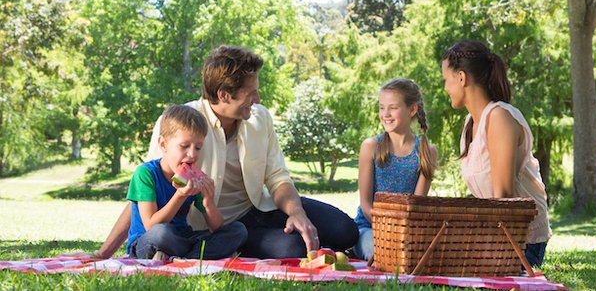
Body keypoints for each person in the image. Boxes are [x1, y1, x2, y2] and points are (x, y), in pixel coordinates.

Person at [94, 45, 358, 259]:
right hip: (212, 227)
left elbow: (277, 177)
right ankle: (223, 248)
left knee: (345, 230)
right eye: (251, 93)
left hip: (259, 207)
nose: (258, 100)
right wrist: (104, 252)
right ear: (223, 94)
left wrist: (296, 212)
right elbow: (146, 192)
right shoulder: (180, 124)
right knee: (293, 249)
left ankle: (319, 243)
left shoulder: (260, 118)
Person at [441, 39, 552, 267]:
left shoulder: (500, 118)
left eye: (446, 80)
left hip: (520, 242)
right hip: (494, 234)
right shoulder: (470, 123)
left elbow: (503, 199)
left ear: (461, 78)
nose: (445, 88)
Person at [126, 105, 247, 260]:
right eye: (184, 146)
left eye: (198, 148)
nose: (192, 154)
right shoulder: (145, 174)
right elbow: (150, 225)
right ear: (163, 144)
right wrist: (180, 195)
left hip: (182, 238)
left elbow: (216, 226)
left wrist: (209, 202)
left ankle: (181, 258)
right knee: (161, 233)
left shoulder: (192, 179)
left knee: (237, 230)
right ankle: (195, 256)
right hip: (146, 241)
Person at [353, 78, 438, 261]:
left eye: (393, 108)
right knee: (381, 253)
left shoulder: (426, 152)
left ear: (412, 109)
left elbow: (417, 206)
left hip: (408, 231)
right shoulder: (371, 147)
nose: (386, 114)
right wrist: (389, 232)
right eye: (382, 107)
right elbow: (366, 204)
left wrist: (403, 235)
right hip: (370, 228)